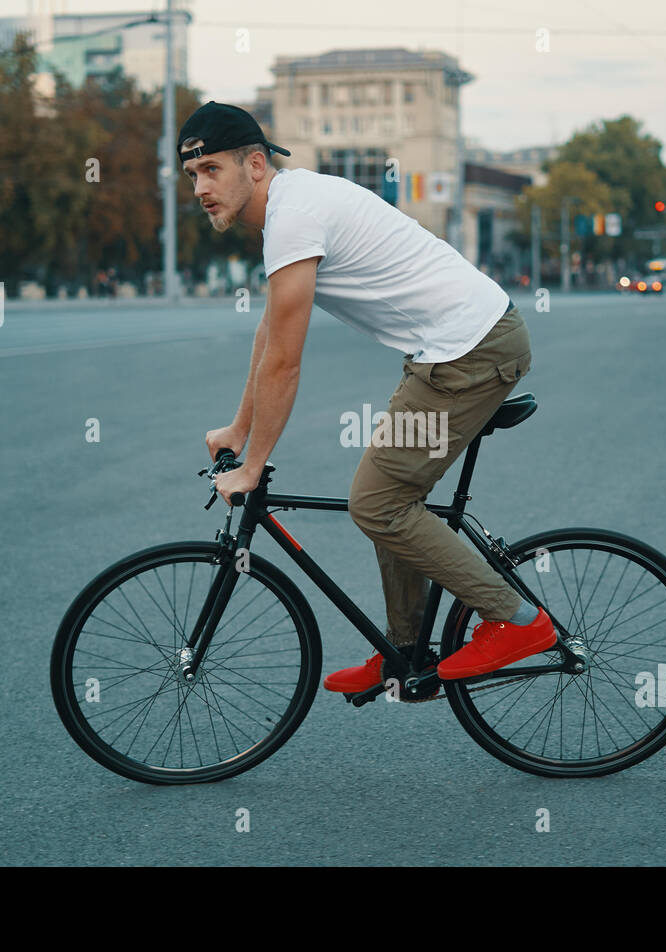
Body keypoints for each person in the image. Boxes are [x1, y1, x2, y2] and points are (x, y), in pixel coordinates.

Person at [180, 101, 555, 692]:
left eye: (212, 171)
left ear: (255, 164)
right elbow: (271, 333)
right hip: (449, 351)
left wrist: (251, 466)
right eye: (193, 176)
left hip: (470, 352)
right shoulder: (291, 208)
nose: (201, 187)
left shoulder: (294, 215)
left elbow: (285, 361)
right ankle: (404, 651)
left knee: (377, 504)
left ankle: (517, 620)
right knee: (390, 501)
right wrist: (237, 429)